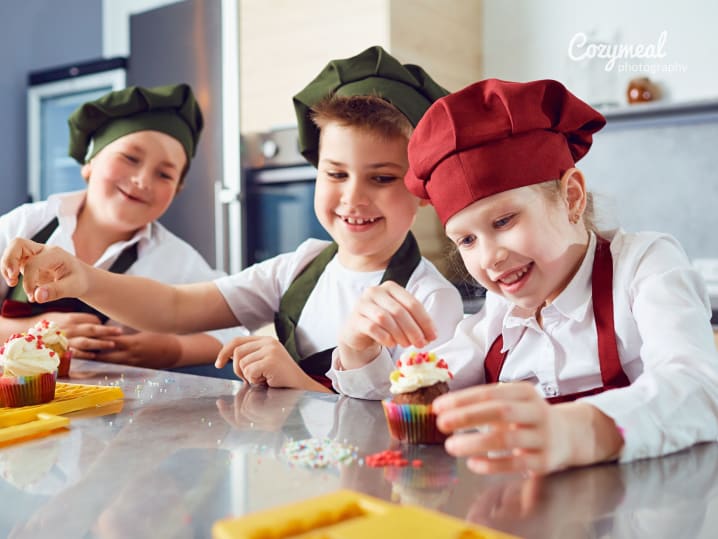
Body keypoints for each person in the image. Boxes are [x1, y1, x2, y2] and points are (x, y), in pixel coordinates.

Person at [0, 46, 464, 393]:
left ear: (422, 189)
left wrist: (297, 382)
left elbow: (416, 431)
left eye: (382, 177)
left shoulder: (429, 301)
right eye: (335, 173)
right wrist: (83, 279)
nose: (353, 197)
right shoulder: (299, 267)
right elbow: (176, 308)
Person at [336, 78, 718, 472]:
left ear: (571, 197)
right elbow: (416, 396)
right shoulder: (499, 315)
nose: (490, 257)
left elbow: (698, 386)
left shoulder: (645, 266)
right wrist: (359, 349)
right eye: (466, 240)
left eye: (504, 220)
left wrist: (585, 428)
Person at [0, 83, 243, 371]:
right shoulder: (26, 225)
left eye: (164, 174)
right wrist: (33, 332)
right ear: (89, 163)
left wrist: (170, 350)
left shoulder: (175, 258)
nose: (142, 180)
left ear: (176, 191)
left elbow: (232, 330)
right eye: (130, 158)